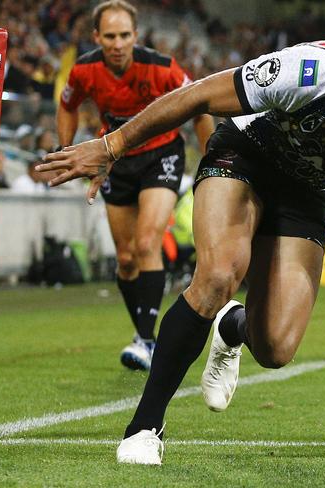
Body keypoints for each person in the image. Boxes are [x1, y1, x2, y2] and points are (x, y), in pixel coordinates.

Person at [39, 40, 325, 465]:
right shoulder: (310, 73)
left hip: (306, 192)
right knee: (219, 274)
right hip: (246, 153)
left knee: (276, 349)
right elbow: (197, 95)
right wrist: (111, 146)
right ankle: (145, 427)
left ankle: (231, 327)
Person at [56, 0, 214, 371]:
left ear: (135, 36)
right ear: (96, 37)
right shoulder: (84, 70)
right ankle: (146, 335)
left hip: (162, 156)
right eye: (109, 36)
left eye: (124, 35)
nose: (117, 43)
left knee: (146, 243)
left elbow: (201, 105)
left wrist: (212, 158)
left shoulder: (162, 68)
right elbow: (68, 104)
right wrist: (65, 148)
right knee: (125, 259)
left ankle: (145, 340)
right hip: (116, 161)